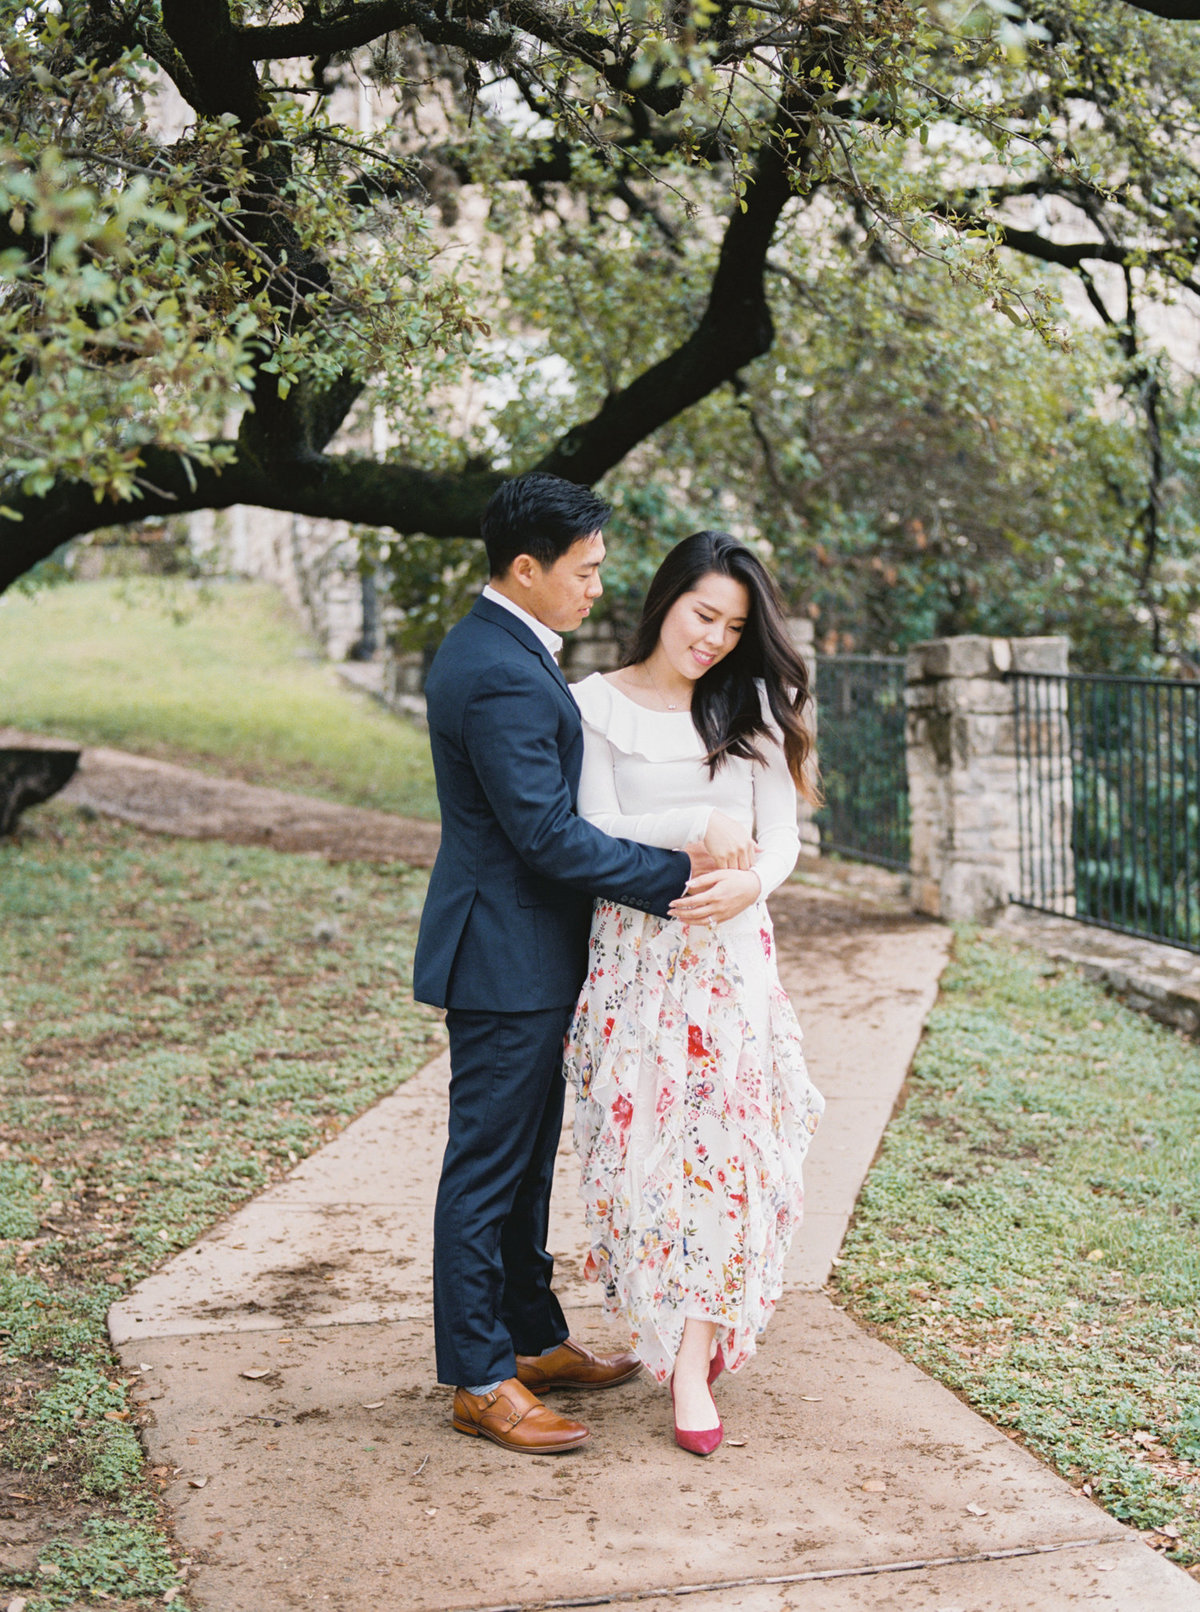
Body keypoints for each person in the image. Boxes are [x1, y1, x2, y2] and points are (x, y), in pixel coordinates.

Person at [412, 473, 726, 1456]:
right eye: (585, 571)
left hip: (526, 952)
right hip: (503, 957)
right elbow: (545, 836)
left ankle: (531, 1336)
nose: (597, 587)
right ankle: (479, 1374)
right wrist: (674, 872)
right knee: (486, 1170)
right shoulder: (499, 669)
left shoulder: (504, 647)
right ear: (525, 567)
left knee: (521, 1164)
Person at [563, 530, 825, 1456]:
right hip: (635, 956)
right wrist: (696, 822)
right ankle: (664, 1321)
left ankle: (692, 1359)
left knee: (727, 1152)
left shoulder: (753, 702)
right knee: (642, 1160)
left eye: (734, 625)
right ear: (667, 599)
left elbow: (781, 838)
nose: (714, 638)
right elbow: (592, 824)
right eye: (703, 615)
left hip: (729, 963)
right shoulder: (594, 704)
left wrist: (753, 882)